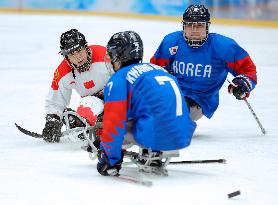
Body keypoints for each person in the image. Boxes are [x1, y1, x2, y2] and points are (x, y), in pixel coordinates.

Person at [96, 31, 196, 176]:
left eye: (111, 54)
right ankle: (155, 150)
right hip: (184, 133)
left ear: (119, 56)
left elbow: (114, 122)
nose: (109, 59)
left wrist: (110, 159)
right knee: (149, 110)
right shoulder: (160, 69)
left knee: (113, 123)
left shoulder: (119, 78)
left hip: (153, 135)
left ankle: (150, 147)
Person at [150, 5, 257, 121]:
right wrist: (161, 73)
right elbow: (153, 69)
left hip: (199, 100)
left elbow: (248, 70)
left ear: (207, 27)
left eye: (199, 25)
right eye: (190, 25)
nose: (194, 30)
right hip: (170, 94)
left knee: (173, 112)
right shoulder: (171, 42)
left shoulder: (223, 46)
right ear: (184, 26)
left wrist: (243, 84)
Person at [42, 29, 113, 143]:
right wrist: (53, 120)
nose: (78, 57)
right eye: (72, 54)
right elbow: (55, 101)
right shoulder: (62, 72)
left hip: (116, 97)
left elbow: (127, 76)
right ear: (66, 57)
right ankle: (81, 125)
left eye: (79, 50)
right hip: (93, 102)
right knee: (85, 107)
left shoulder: (105, 55)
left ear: (86, 47)